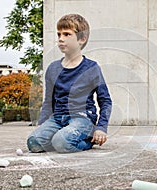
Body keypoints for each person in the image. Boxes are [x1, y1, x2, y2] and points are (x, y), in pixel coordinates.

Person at [27, 14, 112, 153]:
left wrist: (101, 128)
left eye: (67, 34)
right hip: (58, 118)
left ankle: (86, 141)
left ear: (82, 39)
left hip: (82, 118)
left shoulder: (91, 68)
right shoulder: (53, 68)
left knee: (61, 142)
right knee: (34, 142)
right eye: (59, 34)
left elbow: (105, 100)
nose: (60, 39)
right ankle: (61, 138)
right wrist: (42, 125)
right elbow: (48, 101)